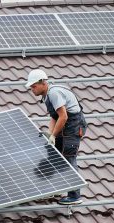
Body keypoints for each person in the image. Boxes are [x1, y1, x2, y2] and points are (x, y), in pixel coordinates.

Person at [25, 69, 87, 205]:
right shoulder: (46, 96)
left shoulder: (54, 93)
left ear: (43, 83)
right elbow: (55, 117)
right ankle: (57, 186)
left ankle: (75, 196)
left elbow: (64, 116)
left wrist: (54, 135)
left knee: (69, 158)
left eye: (34, 86)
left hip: (73, 127)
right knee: (54, 154)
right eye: (31, 87)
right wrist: (50, 135)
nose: (32, 90)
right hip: (64, 126)